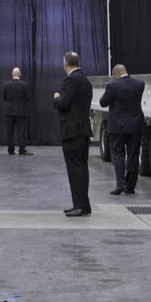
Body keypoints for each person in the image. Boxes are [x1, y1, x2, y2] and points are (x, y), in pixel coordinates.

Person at [53, 51, 92, 217]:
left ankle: (80, 206)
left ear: (65, 65)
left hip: (72, 131)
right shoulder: (85, 80)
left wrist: (56, 97)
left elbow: (62, 103)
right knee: (81, 167)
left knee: (75, 169)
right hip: (82, 129)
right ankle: (84, 204)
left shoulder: (71, 80)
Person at [99, 64, 145, 195]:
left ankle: (121, 184)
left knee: (118, 155)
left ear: (115, 74)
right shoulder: (139, 85)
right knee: (133, 156)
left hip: (118, 128)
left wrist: (113, 85)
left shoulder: (113, 86)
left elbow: (103, 102)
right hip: (135, 126)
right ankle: (130, 187)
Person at [1, 67, 31, 155]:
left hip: (9, 111)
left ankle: (11, 150)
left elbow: (4, 98)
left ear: (12, 74)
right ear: (20, 74)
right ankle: (22, 150)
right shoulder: (25, 84)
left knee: (9, 131)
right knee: (21, 132)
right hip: (21, 111)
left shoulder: (6, 85)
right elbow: (28, 98)